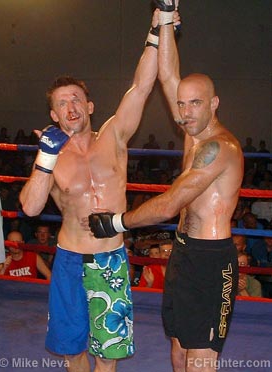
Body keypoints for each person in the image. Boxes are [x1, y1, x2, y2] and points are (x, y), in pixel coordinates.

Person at [19, 8, 180, 372]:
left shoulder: (114, 136)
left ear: (89, 106)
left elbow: (142, 86)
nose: (70, 106)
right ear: (54, 115)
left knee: (108, 355)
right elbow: (29, 208)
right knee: (72, 351)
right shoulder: (52, 155)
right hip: (70, 259)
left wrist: (157, 30)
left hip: (110, 259)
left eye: (75, 99)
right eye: (61, 103)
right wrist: (45, 157)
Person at [88, 3, 244, 371]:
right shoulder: (193, 131)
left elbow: (172, 203)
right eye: (182, 105)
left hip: (211, 261)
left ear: (214, 104)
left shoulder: (220, 148)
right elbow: (167, 75)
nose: (185, 111)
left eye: (195, 104)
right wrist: (166, 17)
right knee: (176, 348)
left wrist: (117, 222)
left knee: (200, 360)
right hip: (183, 254)